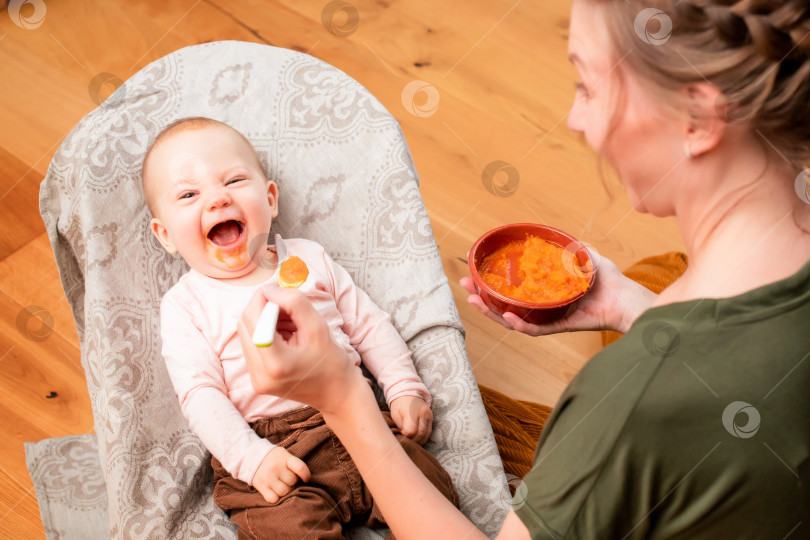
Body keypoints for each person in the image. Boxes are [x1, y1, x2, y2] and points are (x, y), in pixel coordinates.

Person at [234, 0, 810, 538]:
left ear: (699, 119)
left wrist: (342, 399)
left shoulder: (630, 403)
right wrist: (639, 309)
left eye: (587, 84)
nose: (575, 118)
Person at [141, 117, 459, 539]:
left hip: (357, 418)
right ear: (165, 235)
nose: (217, 199)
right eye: (188, 194)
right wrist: (250, 458)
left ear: (270, 198)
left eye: (234, 180)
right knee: (287, 527)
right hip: (271, 447)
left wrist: (403, 387)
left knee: (426, 484)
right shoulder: (186, 305)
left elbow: (367, 325)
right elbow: (200, 395)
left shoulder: (309, 259)